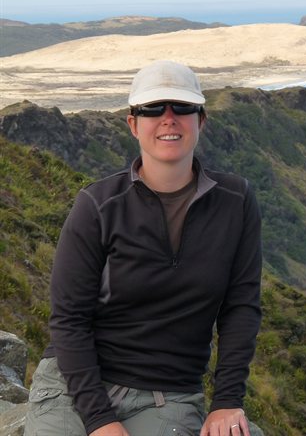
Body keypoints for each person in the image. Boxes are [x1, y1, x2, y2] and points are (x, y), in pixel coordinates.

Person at [24, 60, 263, 436]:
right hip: (75, 385)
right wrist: (101, 421)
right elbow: (68, 319)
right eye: (152, 108)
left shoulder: (236, 201)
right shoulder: (98, 205)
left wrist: (227, 402)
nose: (169, 118)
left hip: (167, 393)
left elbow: (241, 307)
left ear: (201, 121)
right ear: (133, 124)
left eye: (183, 107)